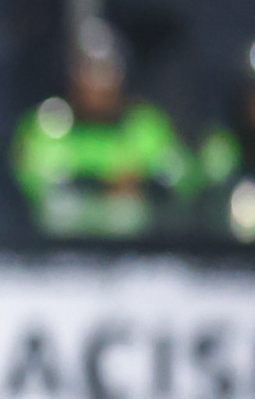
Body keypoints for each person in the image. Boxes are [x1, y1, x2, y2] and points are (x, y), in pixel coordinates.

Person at [12, 19, 196, 239]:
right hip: (63, 247)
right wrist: (103, 184)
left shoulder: (145, 125)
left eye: (106, 69)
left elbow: (183, 179)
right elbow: (34, 181)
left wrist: (143, 184)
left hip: (139, 248)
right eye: (88, 69)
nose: (97, 81)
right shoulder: (48, 125)